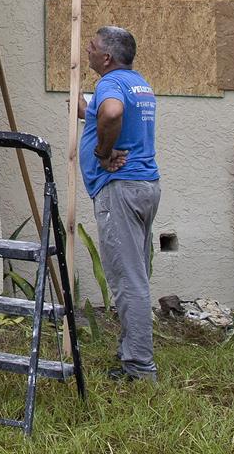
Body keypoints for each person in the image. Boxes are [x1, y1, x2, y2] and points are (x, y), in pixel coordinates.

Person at [77, 25, 161, 383]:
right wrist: (87, 112)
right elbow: (106, 114)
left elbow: (111, 114)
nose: (88, 52)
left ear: (107, 57)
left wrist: (102, 152)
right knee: (135, 272)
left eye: (93, 47)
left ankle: (139, 367)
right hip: (144, 185)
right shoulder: (137, 83)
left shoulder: (110, 85)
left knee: (128, 279)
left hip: (120, 189)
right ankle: (132, 352)